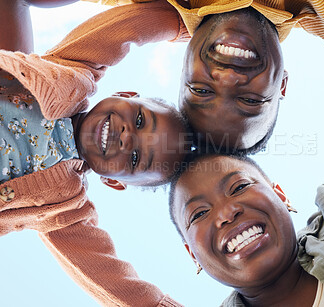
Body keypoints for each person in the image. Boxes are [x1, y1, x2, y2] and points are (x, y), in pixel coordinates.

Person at [0, 2, 187, 305]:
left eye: (136, 158)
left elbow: (112, 280)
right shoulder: (74, 76)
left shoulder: (66, 209)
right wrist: (193, 20)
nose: (127, 137)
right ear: (125, 95)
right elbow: (127, 28)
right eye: (139, 120)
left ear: (113, 182)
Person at [80, 0, 324, 154]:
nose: (228, 78)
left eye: (202, 90)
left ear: (182, 65)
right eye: (249, 100)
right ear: (282, 85)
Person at [168, 119, 324, 306]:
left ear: (281, 196)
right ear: (192, 255)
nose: (227, 213)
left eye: (239, 187)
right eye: (198, 214)